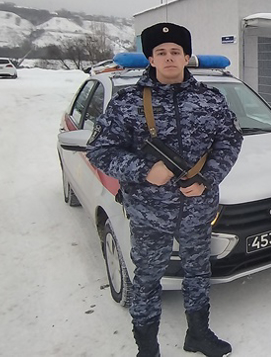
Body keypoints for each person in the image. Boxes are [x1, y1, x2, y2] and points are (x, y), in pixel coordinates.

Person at [87, 22, 243, 357]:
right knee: (147, 278)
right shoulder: (127, 103)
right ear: (151, 59)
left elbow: (229, 141)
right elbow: (99, 151)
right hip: (149, 212)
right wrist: (145, 170)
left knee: (198, 272)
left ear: (186, 57)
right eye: (161, 52)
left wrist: (207, 178)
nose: (169, 58)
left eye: (176, 52)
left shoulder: (210, 99)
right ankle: (147, 348)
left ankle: (198, 334)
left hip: (197, 208)